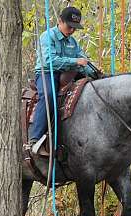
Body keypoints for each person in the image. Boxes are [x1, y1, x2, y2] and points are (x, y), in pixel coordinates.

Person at [28, 6, 97, 155]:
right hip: (47, 72)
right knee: (49, 96)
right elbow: (49, 61)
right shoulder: (47, 36)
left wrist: (96, 73)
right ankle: (35, 138)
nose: (72, 30)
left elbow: (83, 60)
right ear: (60, 21)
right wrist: (75, 62)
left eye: (75, 28)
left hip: (69, 73)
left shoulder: (73, 42)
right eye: (69, 26)